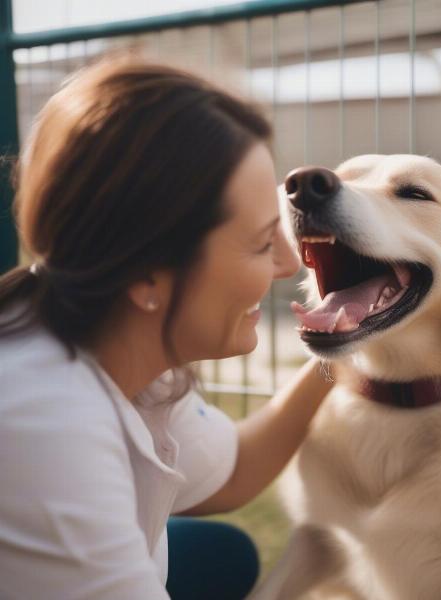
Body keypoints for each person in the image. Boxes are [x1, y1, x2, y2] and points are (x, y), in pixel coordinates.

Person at [0, 57, 333, 600]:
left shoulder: (122, 343)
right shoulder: (46, 430)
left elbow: (231, 473)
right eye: (259, 242)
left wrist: (339, 359)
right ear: (146, 275)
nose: (288, 265)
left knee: (225, 555)